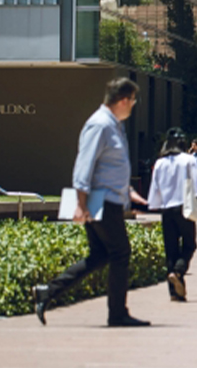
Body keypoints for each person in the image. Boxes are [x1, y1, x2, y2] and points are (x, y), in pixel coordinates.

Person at [34, 78, 151, 327]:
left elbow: (109, 167)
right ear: (123, 100)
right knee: (120, 253)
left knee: (100, 255)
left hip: (109, 200)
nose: (133, 106)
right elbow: (84, 165)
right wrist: (80, 203)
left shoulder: (114, 125)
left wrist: (128, 190)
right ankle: (117, 314)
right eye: (132, 101)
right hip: (101, 202)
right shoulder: (99, 125)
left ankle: (48, 291)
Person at [146, 128, 197, 302]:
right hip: (184, 208)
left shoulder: (160, 163)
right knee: (189, 245)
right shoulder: (188, 160)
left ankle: (175, 293)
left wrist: (153, 204)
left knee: (171, 250)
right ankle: (178, 272)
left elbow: (155, 187)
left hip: (167, 210)